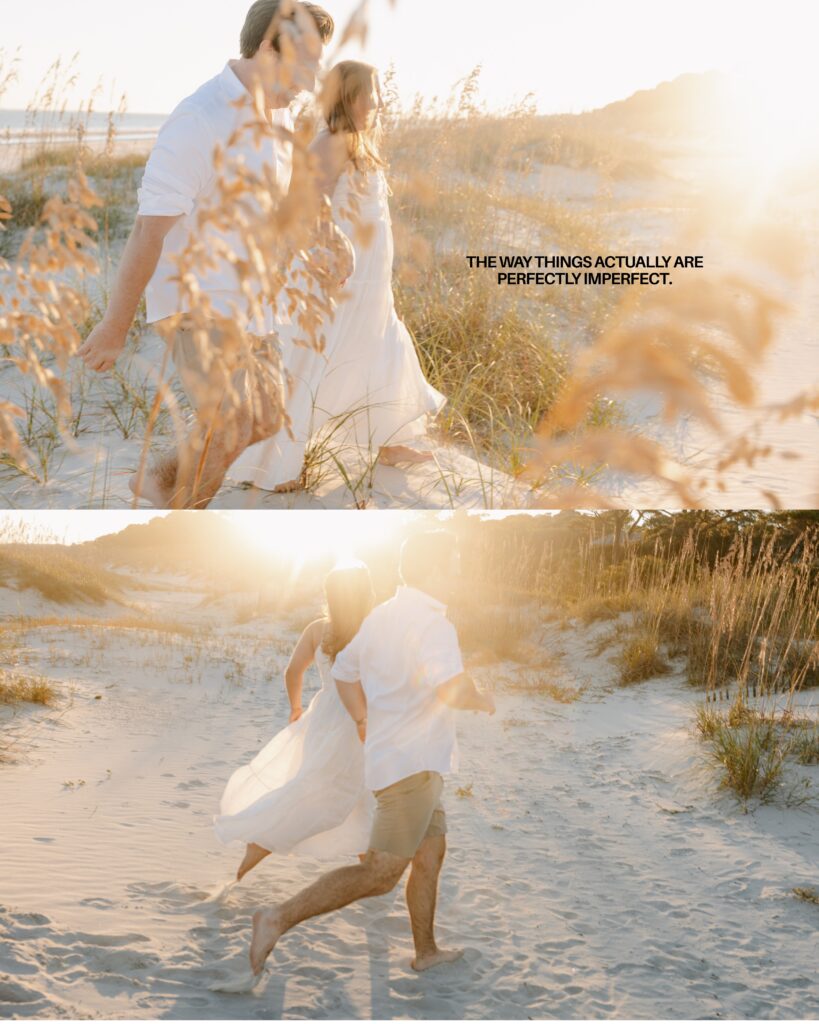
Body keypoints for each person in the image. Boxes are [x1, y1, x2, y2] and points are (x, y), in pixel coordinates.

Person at [77, 1, 344, 509]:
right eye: (305, 64)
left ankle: (158, 481)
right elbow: (145, 232)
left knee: (265, 417)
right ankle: (178, 527)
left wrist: (324, 240)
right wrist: (115, 326)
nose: (311, 82)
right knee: (228, 424)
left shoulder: (279, 116)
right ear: (268, 47)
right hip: (196, 298)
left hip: (250, 298)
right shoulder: (199, 119)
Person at [249, 531, 496, 976]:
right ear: (435, 569)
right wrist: (482, 698)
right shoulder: (435, 624)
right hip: (412, 767)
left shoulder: (382, 616)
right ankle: (276, 919)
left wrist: (364, 721)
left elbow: (344, 674)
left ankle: (426, 951)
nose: (459, 573)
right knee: (380, 875)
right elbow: (450, 689)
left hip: (404, 763)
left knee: (429, 856)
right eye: (454, 564)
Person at [230, 61, 446, 494]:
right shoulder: (329, 144)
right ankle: (271, 464)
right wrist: (326, 256)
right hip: (337, 274)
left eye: (377, 93)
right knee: (312, 357)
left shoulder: (359, 143)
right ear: (345, 98)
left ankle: (391, 440)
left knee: (379, 345)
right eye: (366, 94)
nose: (375, 103)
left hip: (370, 278)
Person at [213, 563, 376, 878]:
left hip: (325, 715)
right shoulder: (372, 629)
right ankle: (263, 841)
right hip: (360, 717)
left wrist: (296, 708)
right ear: (364, 594)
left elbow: (293, 671)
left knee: (353, 794)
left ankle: (367, 867)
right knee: (339, 795)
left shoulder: (318, 629)